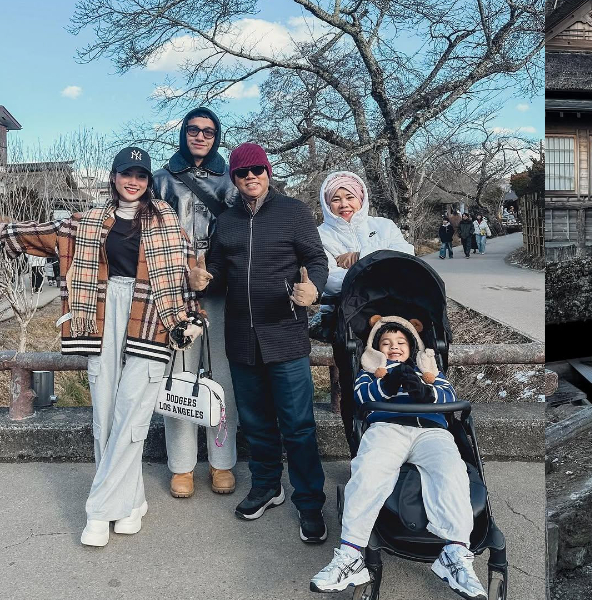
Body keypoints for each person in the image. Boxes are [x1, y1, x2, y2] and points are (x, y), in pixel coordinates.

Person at [0, 147, 206, 547]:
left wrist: (193, 319)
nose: (132, 181)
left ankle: (99, 511)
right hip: (99, 315)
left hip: (153, 317)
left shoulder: (170, 225)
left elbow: (185, 279)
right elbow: (34, 232)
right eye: (125, 174)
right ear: (114, 177)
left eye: (140, 175)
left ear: (148, 181)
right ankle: (132, 501)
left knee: (132, 414)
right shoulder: (85, 223)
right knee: (103, 414)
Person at [188, 143, 331, 543]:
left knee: (298, 425)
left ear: (268, 172)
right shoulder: (228, 220)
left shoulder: (293, 212)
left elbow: (316, 260)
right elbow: (217, 265)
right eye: (242, 172)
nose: (251, 177)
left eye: (257, 170)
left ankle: (309, 502)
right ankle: (268, 486)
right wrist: (204, 277)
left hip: (284, 333)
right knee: (255, 423)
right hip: (241, 336)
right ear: (233, 178)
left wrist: (313, 290)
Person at [310, 316, 486, 599]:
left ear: (412, 345)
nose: (393, 347)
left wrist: (425, 392)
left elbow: (447, 395)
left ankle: (455, 552)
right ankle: (351, 554)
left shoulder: (428, 370)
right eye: (386, 342)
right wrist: (388, 384)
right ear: (377, 347)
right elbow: (361, 396)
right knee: (369, 470)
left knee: (452, 473)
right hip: (388, 427)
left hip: (431, 431)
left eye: (400, 342)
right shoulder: (372, 371)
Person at [153, 106, 240, 499]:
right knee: (179, 376)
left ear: (216, 135)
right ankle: (182, 466)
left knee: (223, 377)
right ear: (183, 133)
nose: (200, 136)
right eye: (193, 130)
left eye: (208, 131)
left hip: (220, 289)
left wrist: (215, 272)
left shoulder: (232, 181)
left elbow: (241, 234)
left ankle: (223, 462)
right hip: (174, 290)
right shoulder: (160, 180)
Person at [317, 170, 414, 298]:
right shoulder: (319, 235)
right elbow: (330, 282)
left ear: (361, 199)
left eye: (350, 197)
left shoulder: (385, 225)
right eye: (336, 199)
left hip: (393, 302)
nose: (344, 204)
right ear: (328, 205)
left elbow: (406, 258)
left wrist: (360, 257)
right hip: (341, 309)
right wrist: (384, 270)